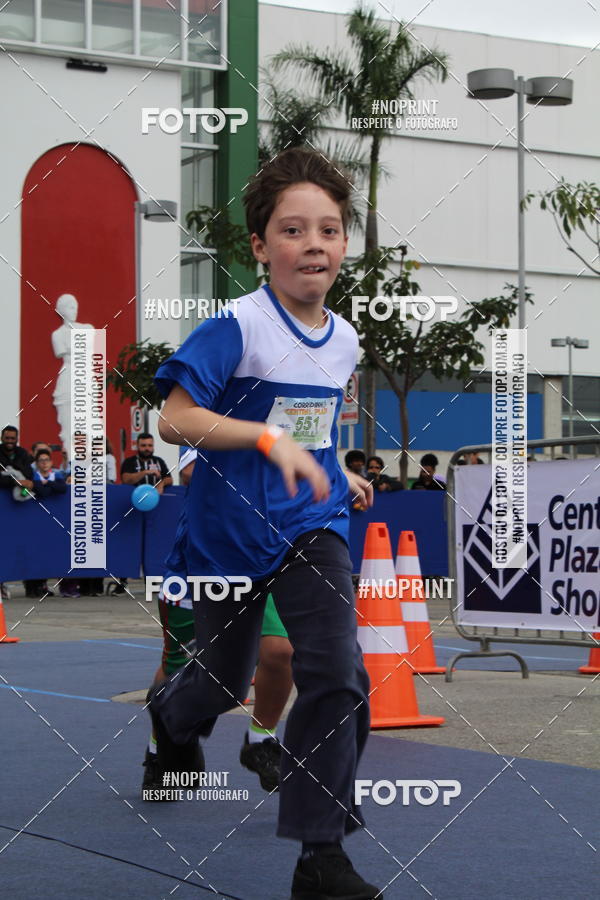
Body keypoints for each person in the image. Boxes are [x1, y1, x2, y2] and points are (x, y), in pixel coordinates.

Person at [150, 147, 379, 900]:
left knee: (339, 670)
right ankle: (171, 721)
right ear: (260, 247)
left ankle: (321, 856)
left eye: (330, 228)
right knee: (218, 683)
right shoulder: (235, 326)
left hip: (313, 525)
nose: (314, 242)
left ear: (344, 243)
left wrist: (334, 466)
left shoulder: (344, 339)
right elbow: (175, 418)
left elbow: (310, 424)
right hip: (228, 534)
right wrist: (265, 440)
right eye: (292, 229)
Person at [142, 446, 294, 797]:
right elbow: (191, 471)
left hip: (260, 561)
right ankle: (157, 752)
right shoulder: (209, 406)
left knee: (280, 651)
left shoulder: (285, 403)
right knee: (179, 665)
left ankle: (261, 740)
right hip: (200, 562)